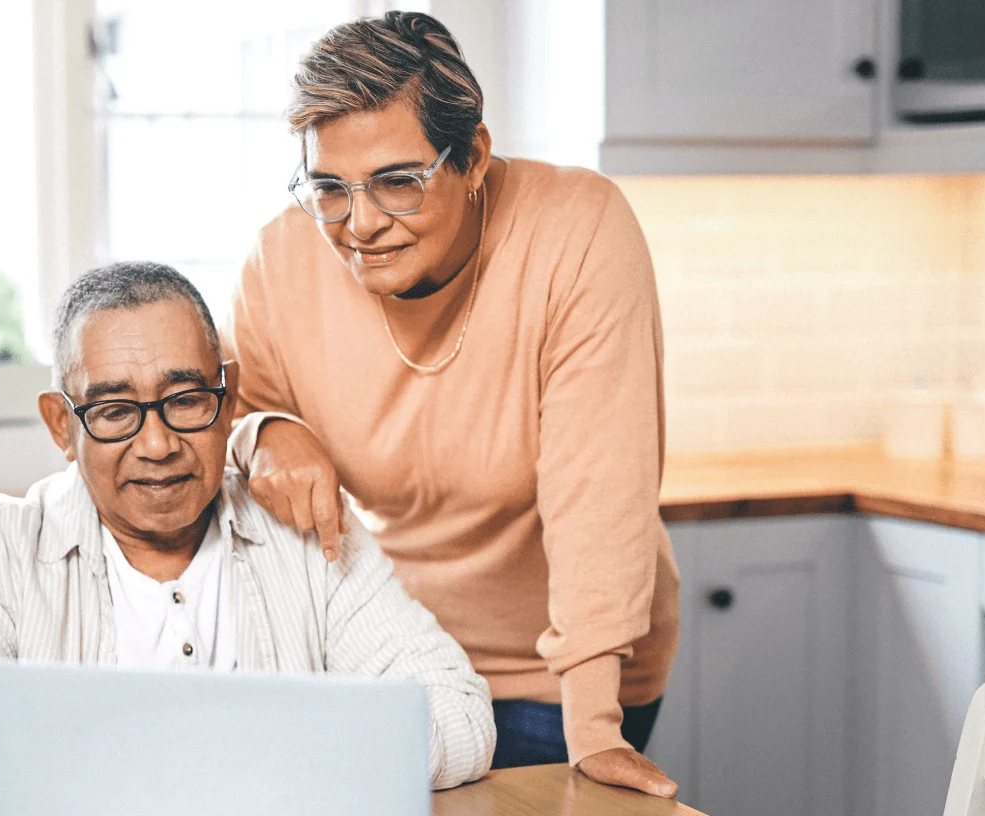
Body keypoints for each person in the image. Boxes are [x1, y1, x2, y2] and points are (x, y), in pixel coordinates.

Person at [224, 12, 680, 798]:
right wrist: (267, 434)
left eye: (398, 181)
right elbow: (237, 424)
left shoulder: (576, 229)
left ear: (472, 157)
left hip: (560, 669)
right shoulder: (280, 259)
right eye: (329, 188)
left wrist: (594, 726)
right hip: (396, 656)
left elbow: (598, 490)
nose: (360, 224)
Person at [0, 262, 495, 816]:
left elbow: (461, 717)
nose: (158, 444)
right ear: (62, 426)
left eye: (187, 399)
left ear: (229, 399)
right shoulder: (5, 546)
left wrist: (228, 750)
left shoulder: (307, 527)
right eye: (114, 412)